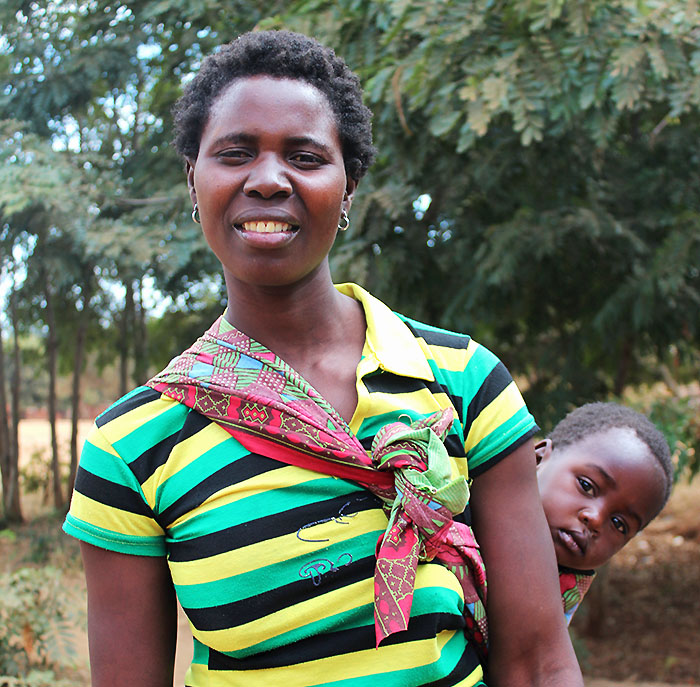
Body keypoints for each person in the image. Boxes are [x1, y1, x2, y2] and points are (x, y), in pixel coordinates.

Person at [63, 30, 583, 687]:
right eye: (235, 153)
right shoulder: (132, 446)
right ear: (194, 179)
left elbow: (537, 664)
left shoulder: (465, 381)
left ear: (349, 185)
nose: (269, 179)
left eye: (305, 157)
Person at [534, 402, 673, 624]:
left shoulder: (558, 608)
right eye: (587, 486)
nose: (595, 519)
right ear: (538, 459)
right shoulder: (465, 515)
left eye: (618, 524)